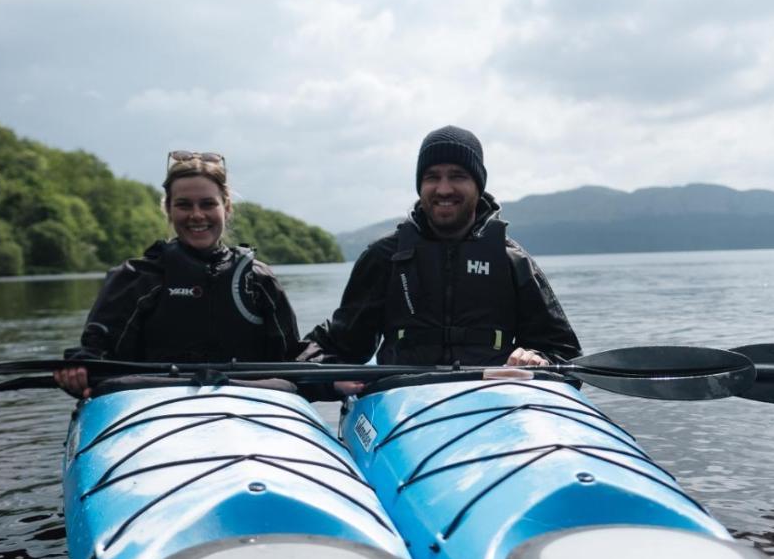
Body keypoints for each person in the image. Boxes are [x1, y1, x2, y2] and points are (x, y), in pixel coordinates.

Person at [300, 126, 580, 392]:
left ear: (478, 185)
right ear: (420, 185)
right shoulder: (384, 258)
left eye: (457, 176)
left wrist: (536, 359)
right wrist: (328, 381)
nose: (444, 189)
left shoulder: (512, 261)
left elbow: (564, 355)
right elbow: (340, 346)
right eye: (432, 176)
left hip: (495, 403)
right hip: (400, 403)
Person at [54, 151, 302, 398]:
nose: (196, 215)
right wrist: (80, 369)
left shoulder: (259, 280)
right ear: (168, 210)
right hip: (151, 405)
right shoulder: (135, 278)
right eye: (184, 205)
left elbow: (292, 358)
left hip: (250, 406)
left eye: (207, 204)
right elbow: (98, 353)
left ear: (226, 208)